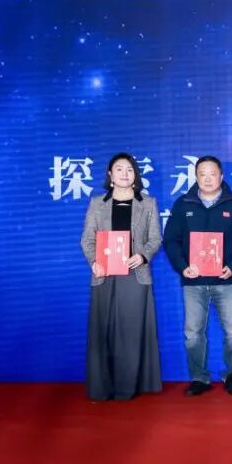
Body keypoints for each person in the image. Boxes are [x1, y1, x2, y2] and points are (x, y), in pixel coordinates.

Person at [163, 156, 232, 397]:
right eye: (202, 174)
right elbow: (171, 240)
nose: (207, 178)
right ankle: (199, 377)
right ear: (196, 177)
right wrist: (183, 267)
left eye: (212, 173)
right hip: (193, 281)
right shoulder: (183, 204)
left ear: (221, 176)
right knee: (193, 334)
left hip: (226, 280)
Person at [80, 153, 163, 401]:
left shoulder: (148, 203)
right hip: (104, 273)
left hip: (135, 274)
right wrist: (94, 262)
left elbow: (155, 238)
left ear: (135, 175)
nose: (125, 174)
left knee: (132, 330)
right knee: (103, 329)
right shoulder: (97, 203)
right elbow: (87, 239)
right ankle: (102, 387)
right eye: (119, 169)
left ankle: (130, 386)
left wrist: (143, 256)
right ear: (110, 175)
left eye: (129, 169)